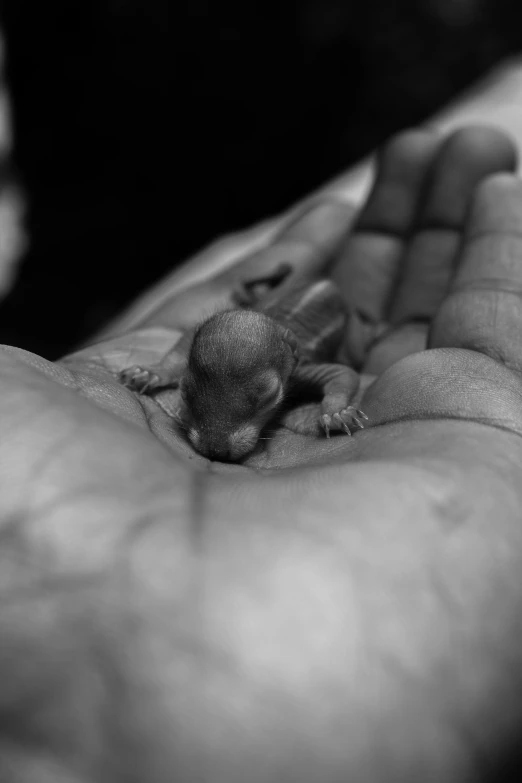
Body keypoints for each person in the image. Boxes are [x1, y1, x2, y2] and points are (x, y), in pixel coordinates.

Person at [2, 124, 522, 783]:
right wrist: (165, 373)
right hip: (260, 320)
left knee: (333, 335)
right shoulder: (209, 356)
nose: (220, 438)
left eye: (260, 401)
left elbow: (336, 376)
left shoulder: (304, 358)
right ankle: (257, 302)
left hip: (328, 313)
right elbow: (192, 344)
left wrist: (337, 404)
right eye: (197, 393)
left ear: (281, 376)